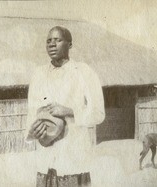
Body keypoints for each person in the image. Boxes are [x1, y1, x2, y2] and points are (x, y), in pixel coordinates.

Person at [25, 26, 105, 185]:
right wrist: (33, 133)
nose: (51, 44)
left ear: (70, 44)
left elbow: (98, 113)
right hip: (45, 157)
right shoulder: (38, 74)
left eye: (57, 40)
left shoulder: (83, 71)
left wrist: (69, 111)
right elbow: (32, 113)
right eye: (48, 41)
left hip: (72, 157)